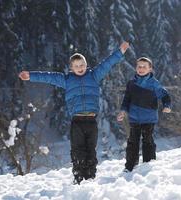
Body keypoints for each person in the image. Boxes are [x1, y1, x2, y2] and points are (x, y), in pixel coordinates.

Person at [19, 42, 129, 184]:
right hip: (77, 122)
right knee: (78, 151)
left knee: (90, 150)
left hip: (91, 121)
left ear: (86, 64)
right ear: (71, 68)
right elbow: (48, 77)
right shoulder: (66, 80)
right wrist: (30, 76)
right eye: (76, 66)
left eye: (82, 65)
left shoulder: (94, 75)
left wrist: (120, 51)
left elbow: (107, 64)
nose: (80, 68)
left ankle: (90, 177)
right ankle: (78, 177)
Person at [117, 57, 171, 172]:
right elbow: (126, 99)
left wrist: (167, 106)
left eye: (144, 67)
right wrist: (123, 111)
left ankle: (148, 163)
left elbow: (165, 95)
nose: (141, 69)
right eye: (139, 66)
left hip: (149, 117)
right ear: (136, 68)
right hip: (134, 118)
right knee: (132, 141)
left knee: (147, 140)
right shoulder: (131, 83)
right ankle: (130, 166)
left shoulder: (154, 83)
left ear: (150, 69)